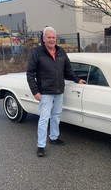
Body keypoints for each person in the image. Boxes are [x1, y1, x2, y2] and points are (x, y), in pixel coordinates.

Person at [27, 26, 86, 157]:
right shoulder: (37, 53)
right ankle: (41, 146)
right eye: (49, 37)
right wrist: (35, 91)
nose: (52, 40)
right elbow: (30, 74)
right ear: (43, 39)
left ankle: (54, 138)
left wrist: (77, 80)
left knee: (56, 115)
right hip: (45, 92)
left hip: (59, 90)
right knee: (44, 118)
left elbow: (68, 70)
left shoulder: (61, 52)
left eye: (53, 37)